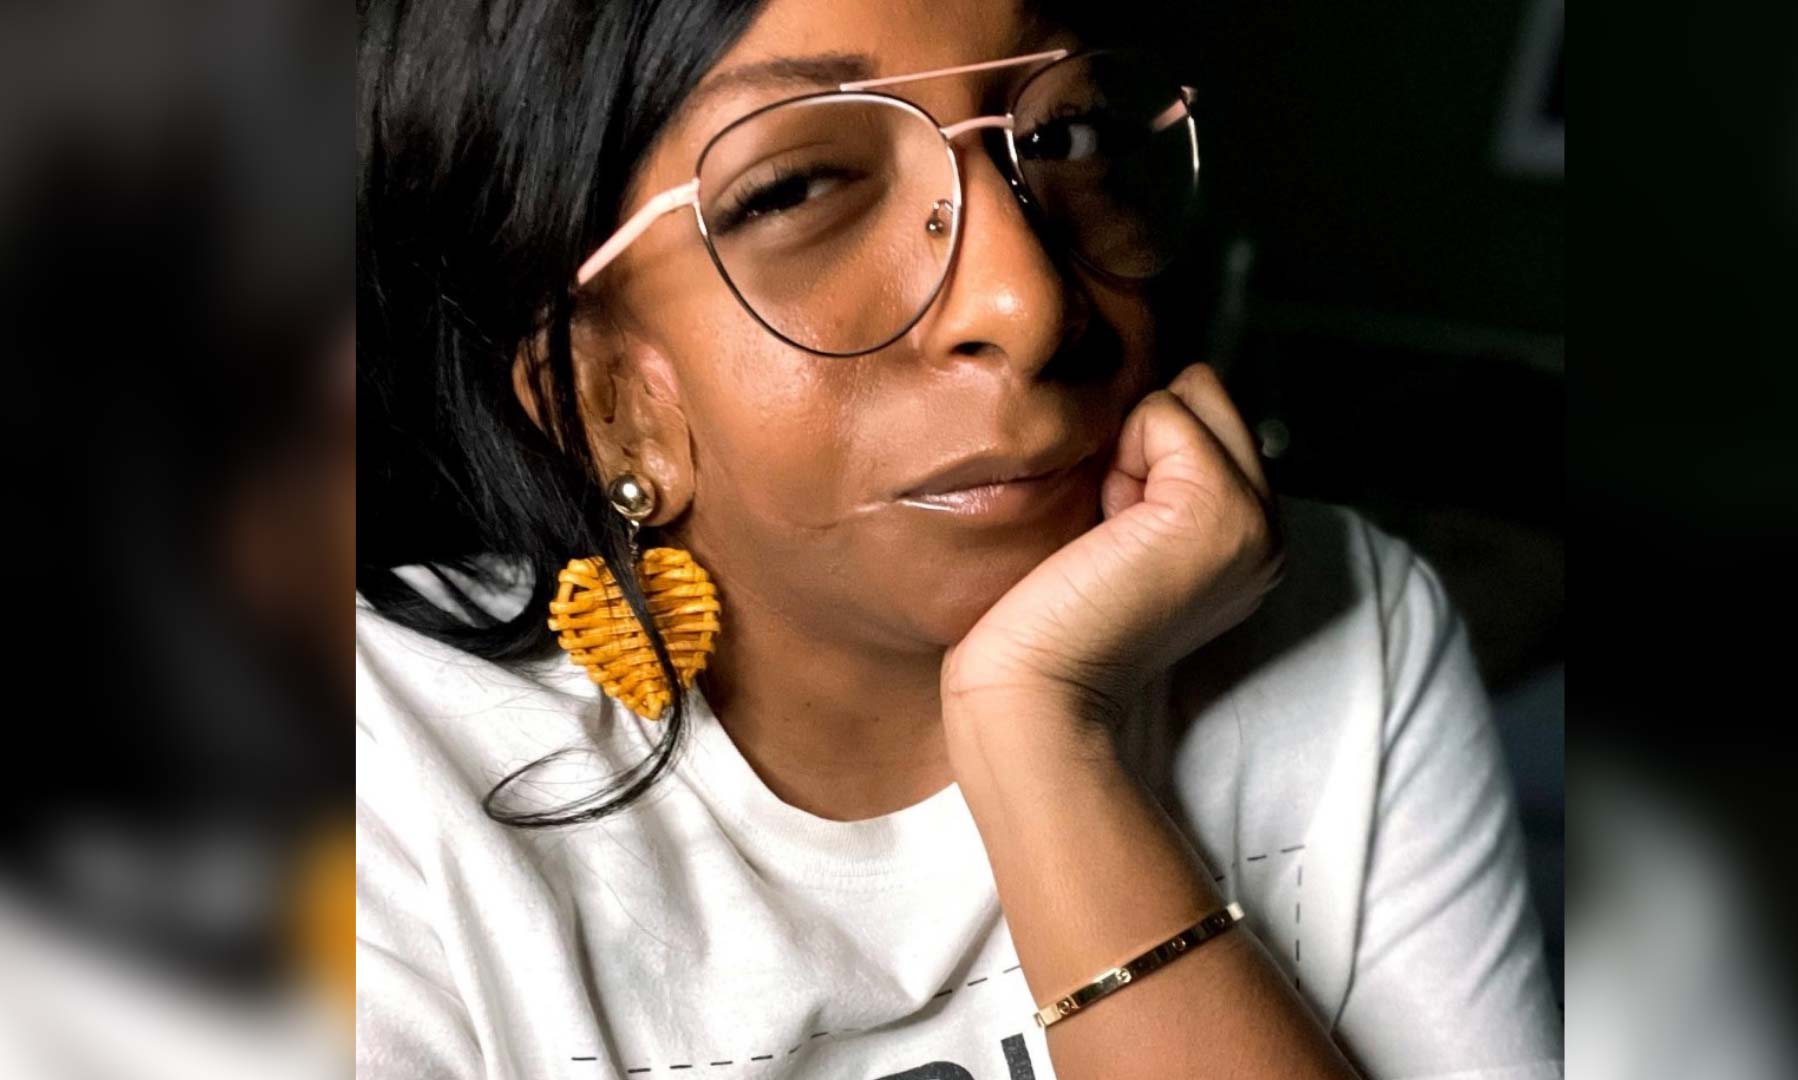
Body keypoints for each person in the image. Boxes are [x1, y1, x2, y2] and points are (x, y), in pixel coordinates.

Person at [356, 0, 1564, 1076]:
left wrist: (1042, 735)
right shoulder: (363, 760)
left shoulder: (1353, 630)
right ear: (603, 396)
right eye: (797, 189)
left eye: (1065, 137)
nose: (1026, 302)